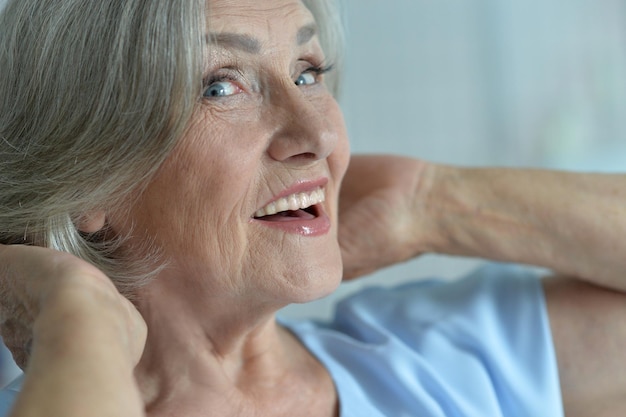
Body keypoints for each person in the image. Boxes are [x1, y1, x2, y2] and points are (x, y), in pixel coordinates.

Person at [0, 0, 625, 416]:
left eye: (307, 71)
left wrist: (432, 202)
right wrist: (78, 320)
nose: (317, 134)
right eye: (221, 85)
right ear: (89, 182)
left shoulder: (442, 361)